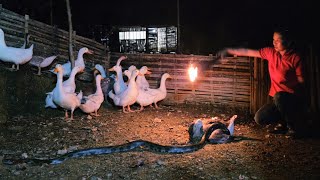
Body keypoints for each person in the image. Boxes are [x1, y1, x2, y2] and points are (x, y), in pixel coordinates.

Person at [218, 27, 306, 137]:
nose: (274, 43)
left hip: (291, 99)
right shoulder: (271, 53)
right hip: (277, 100)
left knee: (280, 97)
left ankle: (294, 128)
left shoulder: (295, 58)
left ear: (288, 41)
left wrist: (300, 104)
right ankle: (282, 124)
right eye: (273, 39)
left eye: (278, 40)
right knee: (259, 118)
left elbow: (302, 82)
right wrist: (228, 50)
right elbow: (248, 52)